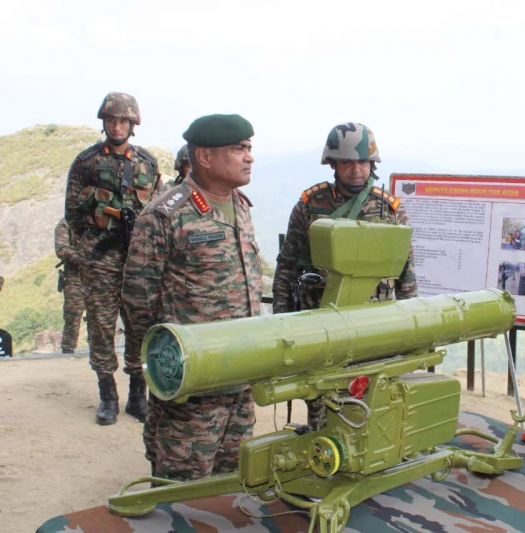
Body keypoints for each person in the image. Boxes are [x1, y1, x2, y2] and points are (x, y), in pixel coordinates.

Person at [122, 114, 262, 480]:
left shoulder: (242, 207)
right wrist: (160, 372)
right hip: (192, 386)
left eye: (249, 148)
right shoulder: (164, 216)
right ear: (204, 157)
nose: (249, 157)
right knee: (182, 485)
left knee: (233, 482)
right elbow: (139, 300)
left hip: (241, 374)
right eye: (238, 149)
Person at [272, 122, 417, 428]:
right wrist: (281, 321)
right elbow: (287, 266)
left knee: (375, 402)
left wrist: (411, 330)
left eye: (362, 162)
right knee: (322, 399)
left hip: (375, 324)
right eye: (348, 162)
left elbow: (406, 273)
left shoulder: (388, 209)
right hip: (322, 321)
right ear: (333, 164)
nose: (356, 170)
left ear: (372, 164)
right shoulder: (310, 206)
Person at [64, 92, 160, 425]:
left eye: (123, 120)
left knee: (140, 327)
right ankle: (108, 395)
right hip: (101, 257)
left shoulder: (147, 163)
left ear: (133, 124)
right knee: (102, 328)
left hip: (138, 260)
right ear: (104, 122)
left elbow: (158, 213)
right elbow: (72, 214)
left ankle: (138, 395)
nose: (117, 126)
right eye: (112, 120)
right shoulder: (86, 162)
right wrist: (95, 235)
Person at [54, 218, 85, 353]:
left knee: (101, 317)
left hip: (100, 277)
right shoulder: (66, 223)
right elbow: (61, 249)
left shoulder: (97, 220)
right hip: (75, 278)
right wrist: (83, 258)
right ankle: (67, 350)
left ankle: (101, 352)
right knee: (72, 316)